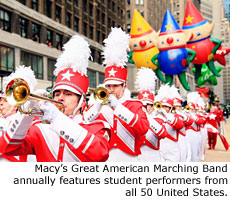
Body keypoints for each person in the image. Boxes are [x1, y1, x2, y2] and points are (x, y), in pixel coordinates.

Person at [0, 35, 110, 162]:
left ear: (82, 101)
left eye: (68, 94)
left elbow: (100, 154)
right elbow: (7, 148)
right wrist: (25, 115)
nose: (60, 98)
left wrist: (56, 118)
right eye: (57, 94)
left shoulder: (97, 126)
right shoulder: (39, 129)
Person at [84, 27, 149, 161]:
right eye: (108, 86)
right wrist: (96, 107)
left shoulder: (134, 105)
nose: (111, 90)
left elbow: (143, 129)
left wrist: (117, 107)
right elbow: (84, 124)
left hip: (129, 160)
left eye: (115, 86)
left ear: (124, 86)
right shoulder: (99, 107)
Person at [136, 67, 167, 162]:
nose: (145, 106)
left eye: (148, 104)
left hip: (153, 156)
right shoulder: (134, 118)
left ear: (152, 105)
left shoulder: (158, 118)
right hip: (138, 156)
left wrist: (147, 117)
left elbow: (162, 133)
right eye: (143, 104)